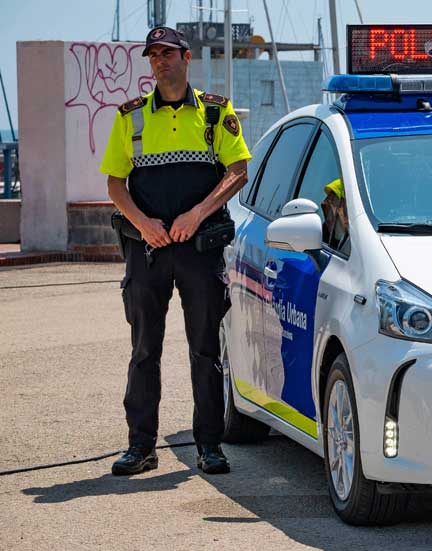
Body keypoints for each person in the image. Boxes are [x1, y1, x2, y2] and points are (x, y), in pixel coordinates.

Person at [99, 26, 251, 475]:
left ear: (186, 58)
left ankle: (209, 445)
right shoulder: (130, 117)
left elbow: (238, 170)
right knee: (145, 350)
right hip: (147, 251)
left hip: (199, 251)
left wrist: (197, 215)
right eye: (153, 55)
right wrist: (142, 224)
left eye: (167, 53)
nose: (159, 61)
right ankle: (141, 446)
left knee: (206, 350)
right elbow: (114, 182)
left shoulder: (215, 113)